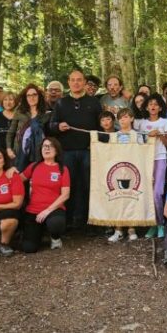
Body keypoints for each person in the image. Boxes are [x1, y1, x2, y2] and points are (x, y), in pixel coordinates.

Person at [50, 69, 102, 229]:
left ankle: (91, 221)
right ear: (69, 83)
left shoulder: (94, 102)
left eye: (79, 80)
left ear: (85, 83)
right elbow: (51, 126)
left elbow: (102, 126)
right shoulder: (61, 103)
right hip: (67, 152)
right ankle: (69, 221)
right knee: (68, 185)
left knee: (89, 185)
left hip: (88, 151)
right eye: (73, 80)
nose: (76, 83)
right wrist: (58, 126)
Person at [21, 137, 70, 252]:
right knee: (29, 248)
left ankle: (55, 238)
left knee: (55, 223)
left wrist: (47, 210)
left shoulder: (62, 169)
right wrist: (10, 171)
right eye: (44, 146)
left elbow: (65, 195)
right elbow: (18, 180)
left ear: (56, 151)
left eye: (50, 146)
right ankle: (39, 233)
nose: (46, 148)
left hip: (54, 209)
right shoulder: (33, 166)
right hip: (33, 210)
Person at [134, 94, 167, 239]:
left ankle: (161, 223)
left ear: (160, 107)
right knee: (148, 193)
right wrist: (147, 136)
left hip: (160, 158)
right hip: (145, 160)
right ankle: (152, 224)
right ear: (146, 107)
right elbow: (138, 144)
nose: (153, 106)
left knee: (157, 193)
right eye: (150, 104)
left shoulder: (165, 122)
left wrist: (160, 134)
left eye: (156, 104)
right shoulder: (141, 124)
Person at [108, 108, 145, 242]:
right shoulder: (115, 135)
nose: (123, 120)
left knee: (132, 198)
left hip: (133, 170)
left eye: (126, 117)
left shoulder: (138, 135)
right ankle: (118, 230)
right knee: (118, 199)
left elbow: (142, 153)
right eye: (120, 118)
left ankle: (131, 228)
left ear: (132, 118)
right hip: (118, 170)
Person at [7, 84, 50, 171]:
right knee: (20, 178)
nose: (31, 97)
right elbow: (11, 132)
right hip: (19, 151)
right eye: (28, 95)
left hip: (39, 152)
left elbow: (48, 135)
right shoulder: (20, 112)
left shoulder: (46, 114)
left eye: (34, 95)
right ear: (25, 98)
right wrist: (9, 149)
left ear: (39, 96)